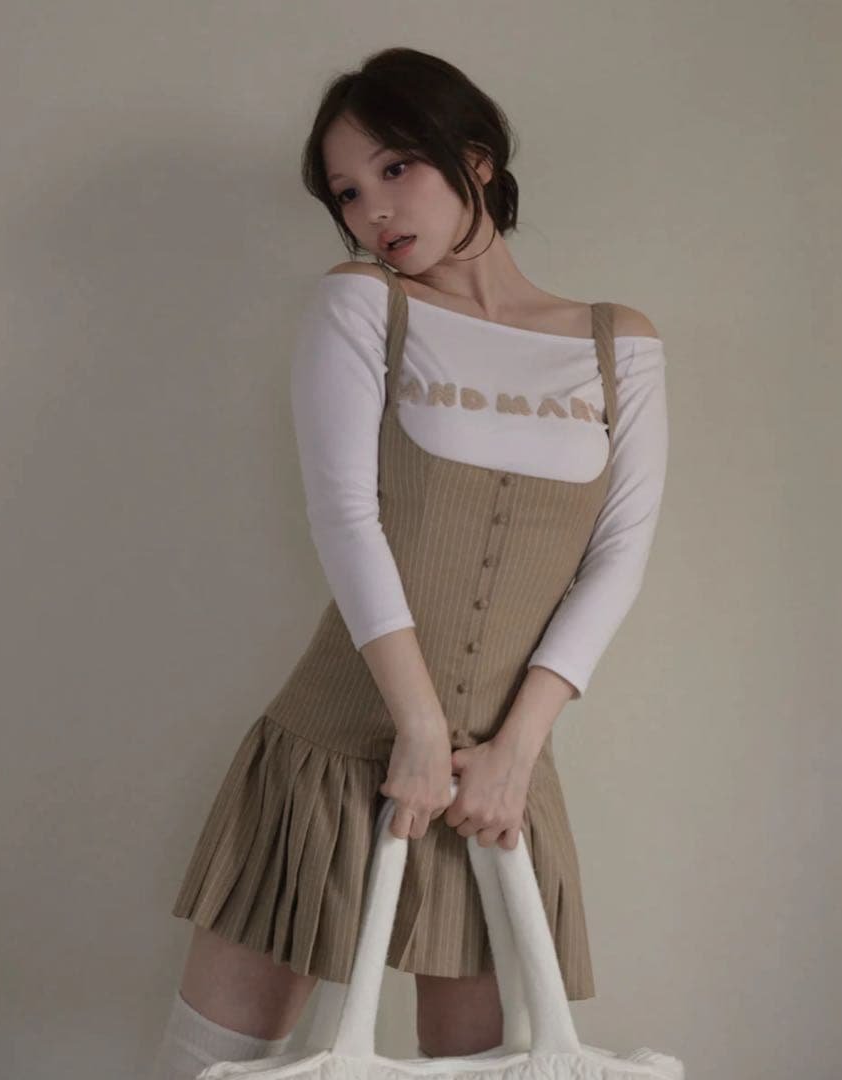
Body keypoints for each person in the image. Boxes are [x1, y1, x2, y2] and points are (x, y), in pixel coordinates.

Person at [150, 46, 668, 1079]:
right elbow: (345, 515)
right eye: (346, 191)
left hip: (496, 776)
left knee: (481, 1062)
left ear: (474, 159)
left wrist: (517, 748)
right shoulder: (363, 304)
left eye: (395, 168)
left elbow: (619, 552)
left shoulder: (619, 345)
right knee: (205, 1063)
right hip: (334, 746)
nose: (371, 210)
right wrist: (420, 728)